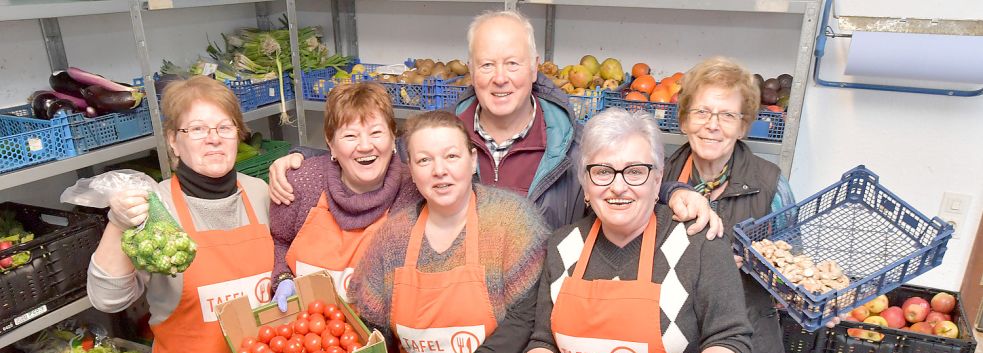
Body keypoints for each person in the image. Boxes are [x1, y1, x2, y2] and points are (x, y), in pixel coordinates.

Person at [264, 10, 723, 238]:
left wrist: (677, 193)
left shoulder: (572, 144)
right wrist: (300, 159)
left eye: (512, 63)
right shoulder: (435, 137)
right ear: (470, 69)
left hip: (544, 314)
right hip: (456, 311)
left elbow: (624, 173)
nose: (499, 78)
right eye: (486, 65)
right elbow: (368, 153)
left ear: (535, 66)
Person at [519, 108, 752, 353]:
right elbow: (544, 338)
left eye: (635, 172)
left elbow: (733, 341)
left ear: (658, 180)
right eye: (602, 171)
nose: (618, 186)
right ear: (585, 183)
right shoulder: (563, 246)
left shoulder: (697, 244)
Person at [87, 76, 273, 353]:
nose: (213, 139)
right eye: (197, 129)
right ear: (173, 140)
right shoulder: (155, 208)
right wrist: (117, 223)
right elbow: (107, 298)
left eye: (225, 128)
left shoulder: (260, 193)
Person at [349, 110, 549, 353]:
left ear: (472, 161)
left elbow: (527, 317)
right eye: (424, 160)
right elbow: (373, 329)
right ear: (412, 171)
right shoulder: (392, 238)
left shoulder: (512, 222)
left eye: (451, 156)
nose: (439, 170)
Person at [662, 57, 796, 353]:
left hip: (748, 352)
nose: (712, 125)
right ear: (683, 120)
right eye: (702, 112)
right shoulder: (656, 179)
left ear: (744, 125)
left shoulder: (770, 185)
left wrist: (755, 264)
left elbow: (793, 270)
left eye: (727, 116)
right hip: (670, 352)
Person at [269, 82, 419, 309]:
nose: (365, 146)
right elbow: (279, 240)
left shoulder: (415, 192)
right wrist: (282, 278)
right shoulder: (301, 184)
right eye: (350, 136)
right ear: (331, 144)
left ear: (392, 138)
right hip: (309, 333)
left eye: (376, 132)